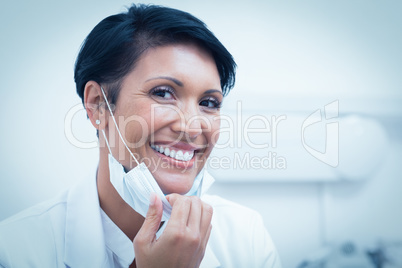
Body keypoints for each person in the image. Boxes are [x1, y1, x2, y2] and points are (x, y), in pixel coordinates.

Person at [0, 4, 281, 268]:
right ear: (98, 104)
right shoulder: (14, 252)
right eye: (163, 93)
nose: (193, 127)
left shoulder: (247, 237)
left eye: (209, 103)